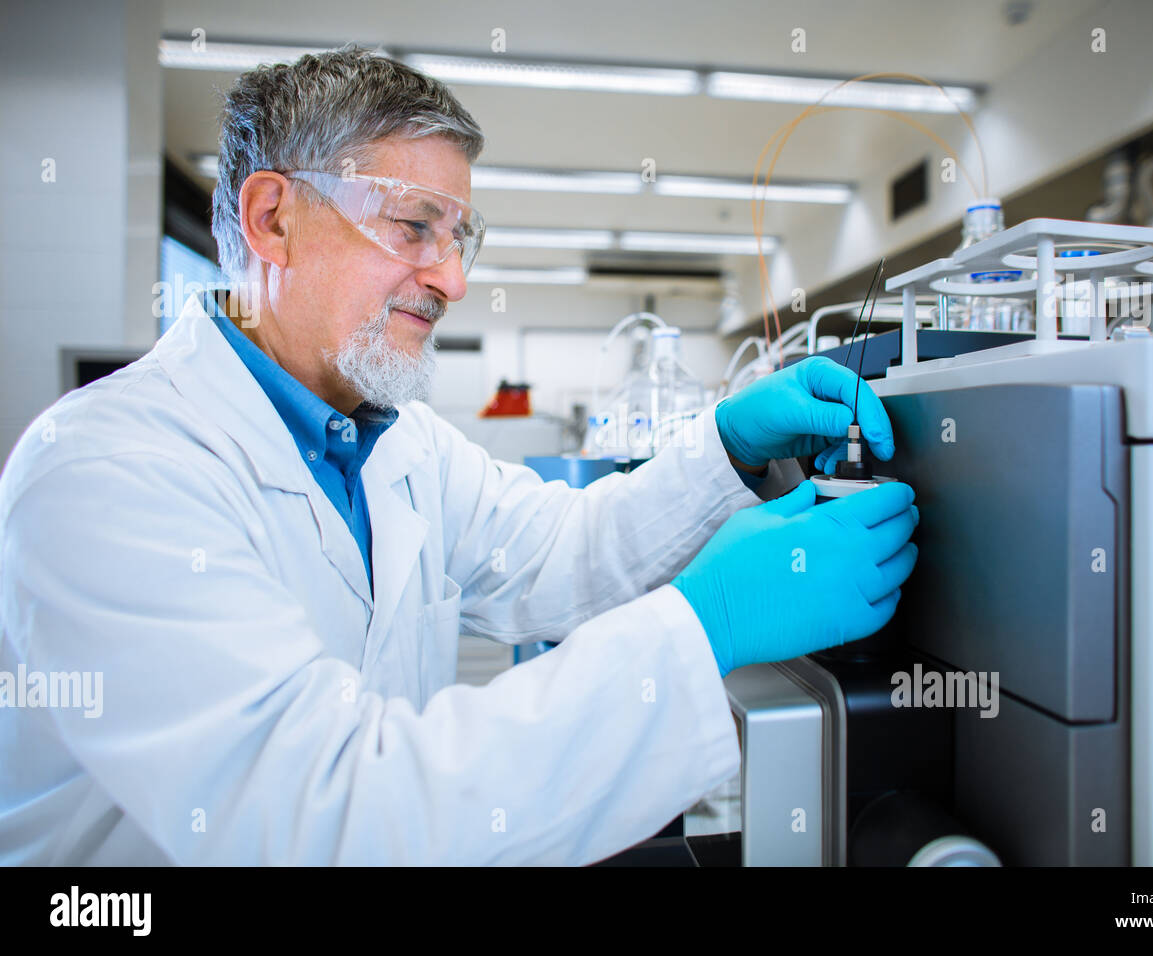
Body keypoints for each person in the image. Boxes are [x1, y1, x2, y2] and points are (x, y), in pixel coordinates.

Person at [0, 48, 917, 864]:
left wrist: (724, 447)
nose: (454, 279)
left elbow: (564, 555)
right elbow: (321, 814)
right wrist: (705, 625)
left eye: (460, 237)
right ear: (274, 218)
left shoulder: (397, 440)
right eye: (413, 228)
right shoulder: (105, 472)